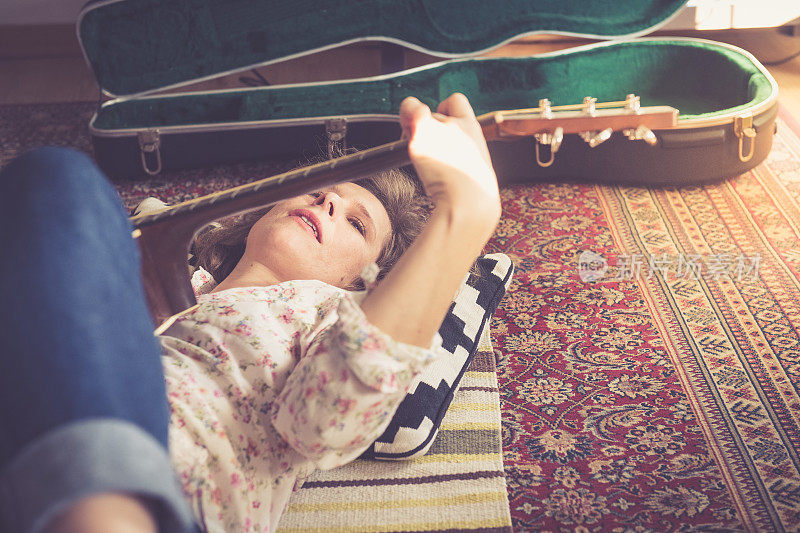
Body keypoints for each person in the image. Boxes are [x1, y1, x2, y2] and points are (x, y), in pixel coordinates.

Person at [0, 93, 501, 533]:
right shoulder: (175, 278)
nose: (327, 200)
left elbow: (329, 420)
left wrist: (461, 218)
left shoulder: (332, 314)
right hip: (27, 449)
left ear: (363, 279)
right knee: (51, 183)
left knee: (61, 178)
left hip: (164, 497)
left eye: (356, 223)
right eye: (318, 191)